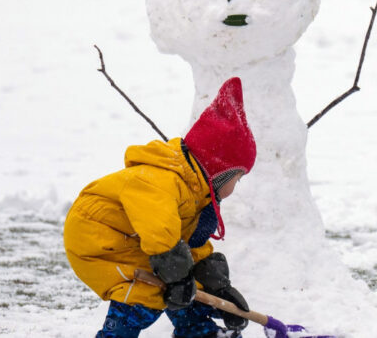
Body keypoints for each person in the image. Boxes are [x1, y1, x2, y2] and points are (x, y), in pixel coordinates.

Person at [64, 77, 256, 338]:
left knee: (183, 281)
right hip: (100, 238)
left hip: (136, 240)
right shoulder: (162, 180)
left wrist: (218, 287)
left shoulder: (195, 192)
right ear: (221, 171)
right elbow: (159, 230)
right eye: (238, 178)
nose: (237, 186)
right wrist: (178, 275)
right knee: (152, 290)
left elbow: (190, 244)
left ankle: (199, 332)